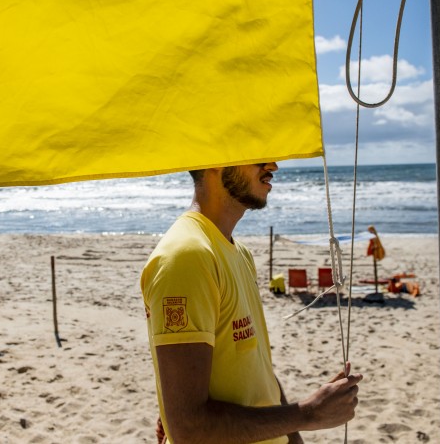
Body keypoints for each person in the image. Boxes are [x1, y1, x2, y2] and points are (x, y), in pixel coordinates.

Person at [140, 163, 363, 444]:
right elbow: (189, 428)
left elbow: (258, 372)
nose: (273, 165)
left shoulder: (238, 252)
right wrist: (308, 414)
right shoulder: (187, 256)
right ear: (214, 160)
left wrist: (295, 435)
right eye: (258, 153)